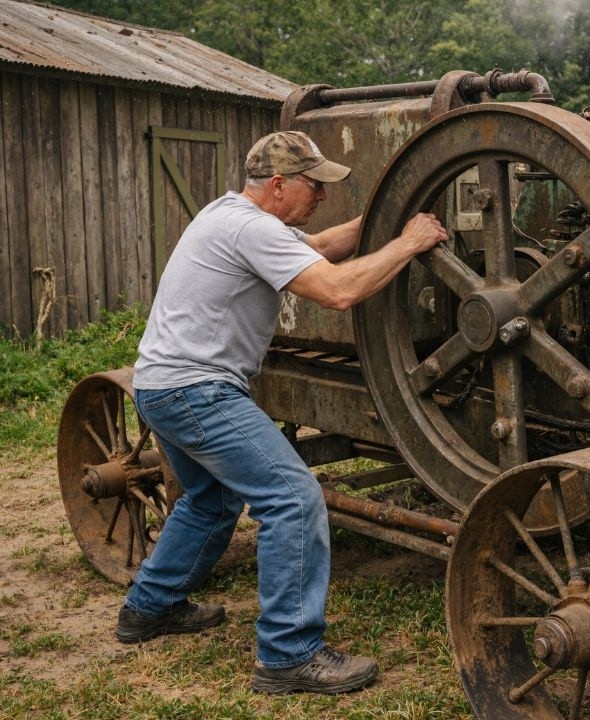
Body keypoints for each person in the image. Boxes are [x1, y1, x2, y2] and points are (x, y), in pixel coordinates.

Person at [115, 130, 447, 695]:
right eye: (313, 185)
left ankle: (149, 609)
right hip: (199, 391)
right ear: (277, 187)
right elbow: (339, 291)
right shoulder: (253, 228)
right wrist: (408, 245)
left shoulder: (227, 215)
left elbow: (315, 250)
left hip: (161, 384)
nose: (321, 194)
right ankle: (288, 654)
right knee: (292, 497)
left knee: (211, 499)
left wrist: (380, 222)